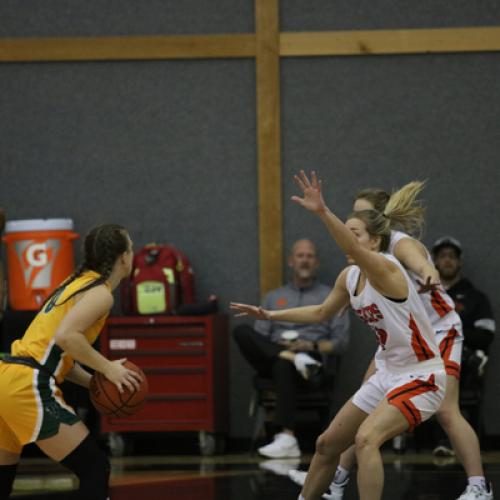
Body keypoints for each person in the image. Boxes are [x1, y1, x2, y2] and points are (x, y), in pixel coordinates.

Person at [232, 172, 447, 500]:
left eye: (355, 234)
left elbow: (369, 252)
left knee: (365, 440)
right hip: (388, 373)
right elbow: (320, 313)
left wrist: (322, 211)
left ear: (375, 241)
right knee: (326, 444)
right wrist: (270, 314)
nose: (347, 240)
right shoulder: (350, 277)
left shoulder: (387, 269)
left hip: (423, 375)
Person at [292, 191, 493, 500]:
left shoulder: (401, 244)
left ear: (377, 223)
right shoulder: (357, 266)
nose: (352, 225)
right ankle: (339, 477)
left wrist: (429, 274)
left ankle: (479, 485)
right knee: (364, 401)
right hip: (399, 334)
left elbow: (425, 267)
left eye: (360, 217)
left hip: (437, 328)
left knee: (447, 411)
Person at [0, 223, 143, 500]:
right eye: (132, 247)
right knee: (95, 467)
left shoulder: (76, 283)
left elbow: (57, 353)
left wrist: (93, 382)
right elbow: (68, 337)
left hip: (8, 376)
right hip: (25, 385)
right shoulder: (100, 294)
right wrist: (108, 368)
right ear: (124, 257)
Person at [233, 239, 350, 459]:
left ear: (316, 263)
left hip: (311, 364)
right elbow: (259, 337)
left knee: (283, 364)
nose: (305, 260)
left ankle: (286, 436)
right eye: (300, 255)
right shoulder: (273, 297)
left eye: (310, 256)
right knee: (241, 331)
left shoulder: (330, 296)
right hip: (274, 354)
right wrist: (280, 349)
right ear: (290, 261)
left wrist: (310, 345)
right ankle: (287, 356)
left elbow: (340, 343)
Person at [432, 236, 496, 452]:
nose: (447, 261)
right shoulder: (426, 297)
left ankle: (447, 440)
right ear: (435, 263)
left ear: (459, 262)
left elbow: (486, 334)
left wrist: (451, 333)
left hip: (460, 358)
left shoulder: (476, 298)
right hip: (428, 358)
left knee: (456, 356)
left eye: (452, 257)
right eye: (442, 257)